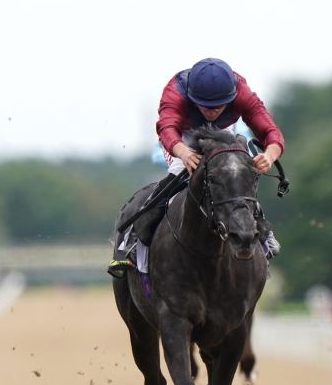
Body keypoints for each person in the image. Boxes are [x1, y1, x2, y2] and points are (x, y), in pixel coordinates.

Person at [108, 58, 285, 277]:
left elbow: (270, 131)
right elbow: (166, 127)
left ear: (231, 97)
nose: (211, 111)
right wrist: (182, 151)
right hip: (182, 136)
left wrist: (270, 154)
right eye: (205, 106)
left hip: (222, 133)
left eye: (218, 106)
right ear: (192, 96)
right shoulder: (175, 91)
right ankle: (132, 240)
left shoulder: (242, 92)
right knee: (177, 173)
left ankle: (263, 230)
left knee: (236, 175)